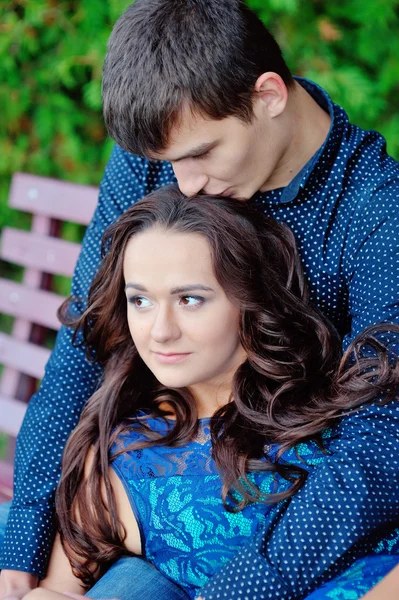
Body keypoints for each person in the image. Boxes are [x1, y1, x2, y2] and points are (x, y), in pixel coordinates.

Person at [1, 0, 399, 598]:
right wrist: (23, 541)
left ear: (268, 96)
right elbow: (86, 341)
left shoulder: (373, 213)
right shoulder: (165, 150)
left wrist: (249, 584)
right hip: (155, 500)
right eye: (167, 163)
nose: (182, 184)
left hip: (308, 534)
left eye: (201, 155)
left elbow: (383, 441)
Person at [20, 187, 399, 600]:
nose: (161, 330)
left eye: (189, 299)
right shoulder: (124, 454)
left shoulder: (344, 411)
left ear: (251, 299)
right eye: (141, 300)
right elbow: (53, 592)